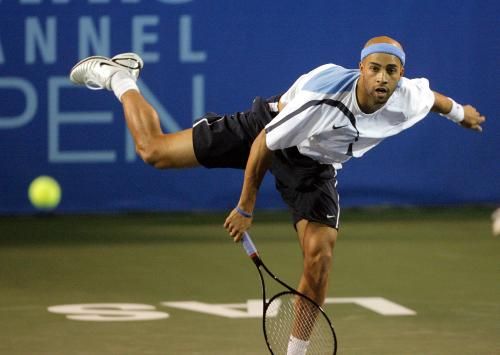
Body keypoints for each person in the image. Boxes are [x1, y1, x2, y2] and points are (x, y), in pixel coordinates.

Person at [70, 36, 485, 354]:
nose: (382, 77)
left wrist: (461, 113)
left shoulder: (407, 97)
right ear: (361, 68)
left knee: (320, 258)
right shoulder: (323, 99)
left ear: (400, 74)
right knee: (154, 152)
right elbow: (264, 146)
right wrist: (245, 206)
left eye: (391, 71)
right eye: (374, 68)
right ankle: (120, 76)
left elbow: (436, 100)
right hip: (267, 131)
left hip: (314, 166)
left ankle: (296, 352)